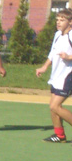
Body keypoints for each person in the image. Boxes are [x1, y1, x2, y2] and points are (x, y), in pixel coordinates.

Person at [34, 8, 72, 142]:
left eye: (62, 20)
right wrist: (44, 67)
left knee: (55, 106)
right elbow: (52, 53)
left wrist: (68, 57)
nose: (58, 22)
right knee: (53, 107)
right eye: (57, 20)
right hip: (57, 76)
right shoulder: (57, 35)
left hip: (68, 76)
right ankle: (59, 135)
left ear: (70, 22)